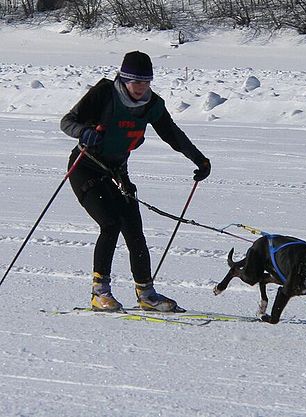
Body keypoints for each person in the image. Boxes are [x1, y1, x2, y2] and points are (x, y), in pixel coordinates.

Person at [60, 51, 211, 312]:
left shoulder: (152, 105)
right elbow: (67, 122)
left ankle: (146, 294)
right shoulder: (104, 93)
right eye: (135, 83)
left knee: (134, 229)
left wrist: (200, 160)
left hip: (117, 171)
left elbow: (172, 134)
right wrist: (84, 132)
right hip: (85, 167)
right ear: (123, 79)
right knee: (110, 224)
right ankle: (100, 293)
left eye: (146, 83)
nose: (141, 88)